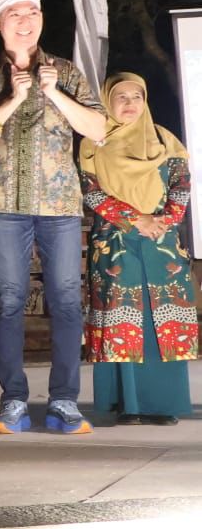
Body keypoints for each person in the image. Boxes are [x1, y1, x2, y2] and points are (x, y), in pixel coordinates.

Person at [0, 0, 105, 435]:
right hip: (4, 204)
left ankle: (64, 402)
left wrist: (56, 94)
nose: (25, 20)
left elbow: (98, 128)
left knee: (67, 300)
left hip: (60, 204)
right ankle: (13, 400)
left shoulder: (64, 71)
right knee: (9, 301)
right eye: (14, 13)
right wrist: (12, 97)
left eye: (33, 11)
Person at [80, 73, 198, 425]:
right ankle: (127, 404)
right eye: (121, 96)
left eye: (137, 96)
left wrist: (165, 220)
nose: (130, 103)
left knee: (162, 319)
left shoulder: (163, 139)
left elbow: (181, 182)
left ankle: (164, 404)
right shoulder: (94, 140)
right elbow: (91, 190)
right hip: (115, 241)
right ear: (107, 101)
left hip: (162, 242)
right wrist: (135, 220)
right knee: (122, 318)